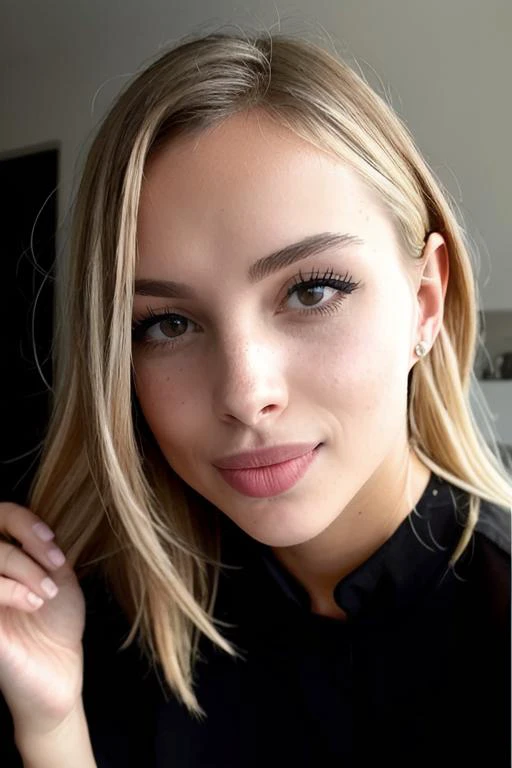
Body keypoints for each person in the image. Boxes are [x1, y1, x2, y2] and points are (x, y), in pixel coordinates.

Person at [0, 28, 510, 768]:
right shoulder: (86, 624)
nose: (245, 393)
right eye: (167, 324)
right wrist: (51, 727)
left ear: (424, 304)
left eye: (313, 290)